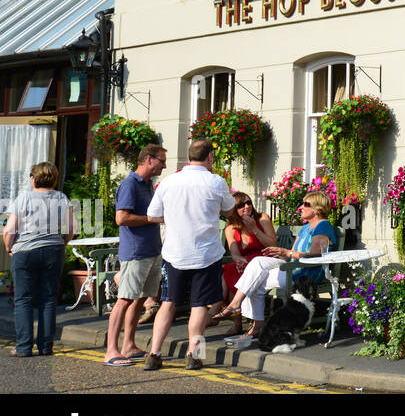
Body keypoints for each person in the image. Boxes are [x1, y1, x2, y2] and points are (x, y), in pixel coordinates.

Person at [142, 138, 236, 371]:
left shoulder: (169, 182)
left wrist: (175, 218)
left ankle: (153, 354)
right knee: (200, 305)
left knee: (168, 302)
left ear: (189, 156)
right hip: (206, 255)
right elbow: (230, 210)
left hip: (175, 253)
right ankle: (194, 356)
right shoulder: (216, 182)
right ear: (210, 157)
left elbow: (152, 216)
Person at [211, 191, 336, 341]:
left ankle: (237, 307)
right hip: (294, 266)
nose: (301, 207)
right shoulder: (305, 228)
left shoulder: (323, 227)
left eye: (305, 204)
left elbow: (315, 256)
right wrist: (279, 253)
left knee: (257, 271)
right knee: (257, 272)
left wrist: (285, 252)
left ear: (317, 208)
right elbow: (290, 254)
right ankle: (254, 323)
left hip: (307, 272)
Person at [3, 162, 77, 357]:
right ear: (53, 179)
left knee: (24, 299)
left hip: (25, 251)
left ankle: (24, 346)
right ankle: (45, 346)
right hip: (53, 250)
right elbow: (71, 230)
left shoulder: (24, 198)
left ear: (33, 178)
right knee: (48, 299)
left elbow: (9, 230)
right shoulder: (61, 198)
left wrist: (9, 248)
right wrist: (61, 243)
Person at [103, 144, 167, 366]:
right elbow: (121, 218)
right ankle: (111, 350)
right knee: (124, 299)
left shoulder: (149, 185)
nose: (164, 165)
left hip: (152, 250)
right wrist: (151, 219)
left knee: (140, 299)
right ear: (149, 159)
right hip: (135, 252)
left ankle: (128, 346)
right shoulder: (130, 184)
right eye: (161, 160)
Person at [218, 191, 276, 337]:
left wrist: (254, 229)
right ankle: (227, 313)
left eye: (249, 202)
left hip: (264, 260)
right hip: (246, 264)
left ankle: (221, 313)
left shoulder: (262, 219)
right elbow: (235, 253)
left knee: (233, 273)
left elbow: (272, 244)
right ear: (234, 209)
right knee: (230, 269)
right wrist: (239, 260)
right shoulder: (230, 228)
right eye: (241, 205)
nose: (247, 207)